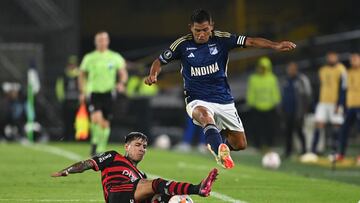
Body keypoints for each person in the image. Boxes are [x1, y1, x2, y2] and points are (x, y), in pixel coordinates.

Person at [145, 9, 296, 169]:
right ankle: (218, 150)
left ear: (212, 26)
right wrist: (153, 74)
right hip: (196, 99)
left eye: (205, 30)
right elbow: (159, 61)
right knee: (204, 116)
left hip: (223, 99)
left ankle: (218, 146)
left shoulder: (222, 39)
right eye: (197, 30)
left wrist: (275, 45)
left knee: (240, 143)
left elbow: (250, 41)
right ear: (191, 28)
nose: (201, 34)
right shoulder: (182, 44)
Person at [51, 132, 218, 203]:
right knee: (156, 184)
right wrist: (67, 170)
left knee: (167, 196)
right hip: (116, 194)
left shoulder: (140, 175)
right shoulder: (113, 156)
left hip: (130, 197)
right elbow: (87, 163)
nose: (141, 149)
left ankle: (192, 192)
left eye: (144, 146)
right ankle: (197, 189)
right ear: (127, 147)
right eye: (137, 145)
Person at [79, 31, 128, 155]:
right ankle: (95, 142)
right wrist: (82, 91)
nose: (102, 42)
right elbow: (82, 75)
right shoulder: (89, 58)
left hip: (108, 93)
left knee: (105, 123)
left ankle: (101, 147)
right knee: (96, 119)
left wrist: (121, 83)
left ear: (108, 41)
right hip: (94, 92)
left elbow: (123, 73)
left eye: (104, 39)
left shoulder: (115, 57)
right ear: (96, 42)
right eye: (99, 40)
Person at [311, 51, 346, 154]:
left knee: (336, 126)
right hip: (323, 102)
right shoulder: (322, 70)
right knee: (318, 124)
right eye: (329, 57)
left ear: (337, 57)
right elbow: (318, 87)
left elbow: (343, 88)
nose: (331, 59)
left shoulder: (341, 70)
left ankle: (336, 151)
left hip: (335, 102)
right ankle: (313, 151)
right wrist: (316, 101)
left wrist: (340, 103)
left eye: (333, 57)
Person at [246, 57, 281, 151]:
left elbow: (275, 91)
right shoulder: (253, 79)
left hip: (270, 107)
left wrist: (276, 102)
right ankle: (258, 145)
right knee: (257, 128)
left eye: (264, 67)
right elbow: (251, 92)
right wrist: (250, 102)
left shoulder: (272, 78)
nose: (261, 69)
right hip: (256, 107)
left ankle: (270, 145)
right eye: (260, 67)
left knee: (270, 128)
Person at [281, 62, 312, 158]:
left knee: (299, 131)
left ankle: (304, 151)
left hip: (298, 111)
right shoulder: (285, 80)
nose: (290, 71)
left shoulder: (301, 79)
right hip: (287, 111)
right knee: (288, 132)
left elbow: (307, 95)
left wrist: (304, 110)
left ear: (296, 69)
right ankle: (288, 151)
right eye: (289, 69)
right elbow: (283, 95)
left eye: (292, 69)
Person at [337, 53, 360, 160]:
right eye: (352, 60)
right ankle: (341, 154)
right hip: (350, 106)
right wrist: (341, 104)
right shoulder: (347, 73)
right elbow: (343, 90)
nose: (354, 61)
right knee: (344, 130)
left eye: (356, 59)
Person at [56, 55, 80, 141]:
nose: (72, 66)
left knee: (77, 121)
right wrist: (61, 98)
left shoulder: (80, 74)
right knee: (66, 120)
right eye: (70, 64)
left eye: (73, 64)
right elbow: (59, 87)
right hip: (67, 101)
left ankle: (76, 137)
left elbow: (84, 86)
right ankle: (66, 137)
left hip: (77, 101)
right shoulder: (63, 74)